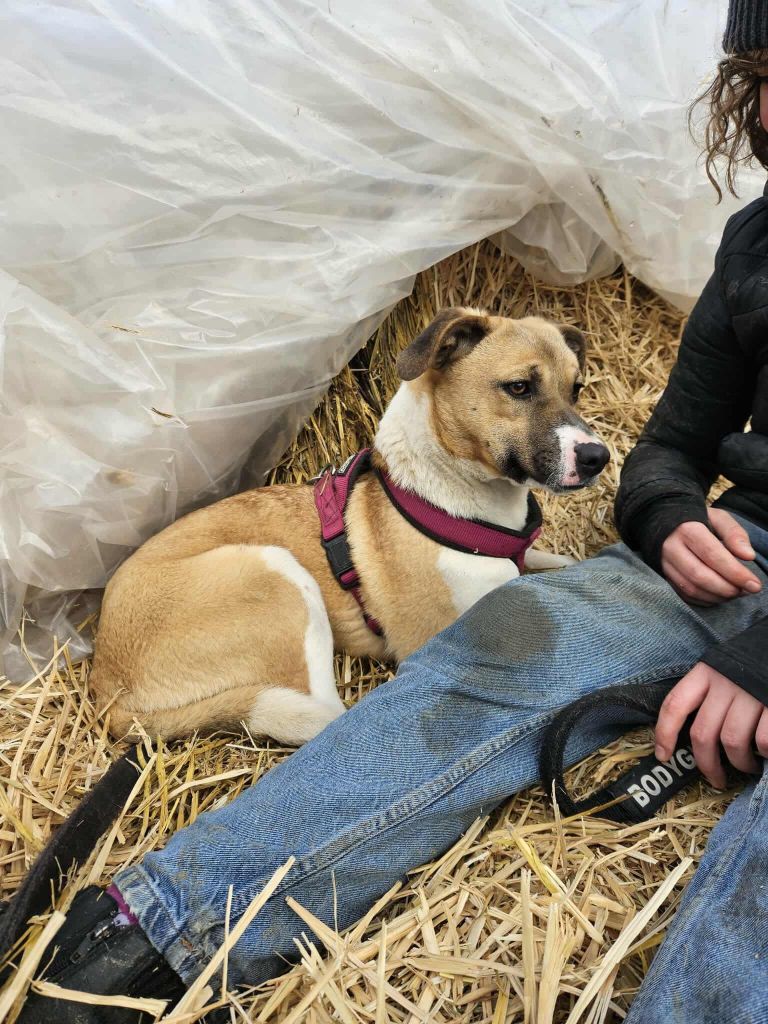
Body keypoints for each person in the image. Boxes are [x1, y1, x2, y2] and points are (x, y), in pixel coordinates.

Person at [13, 4, 768, 1021]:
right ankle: (157, 931)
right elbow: (672, 445)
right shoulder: (752, 245)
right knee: (487, 663)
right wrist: (667, 512)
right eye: (763, 77)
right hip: (744, 547)